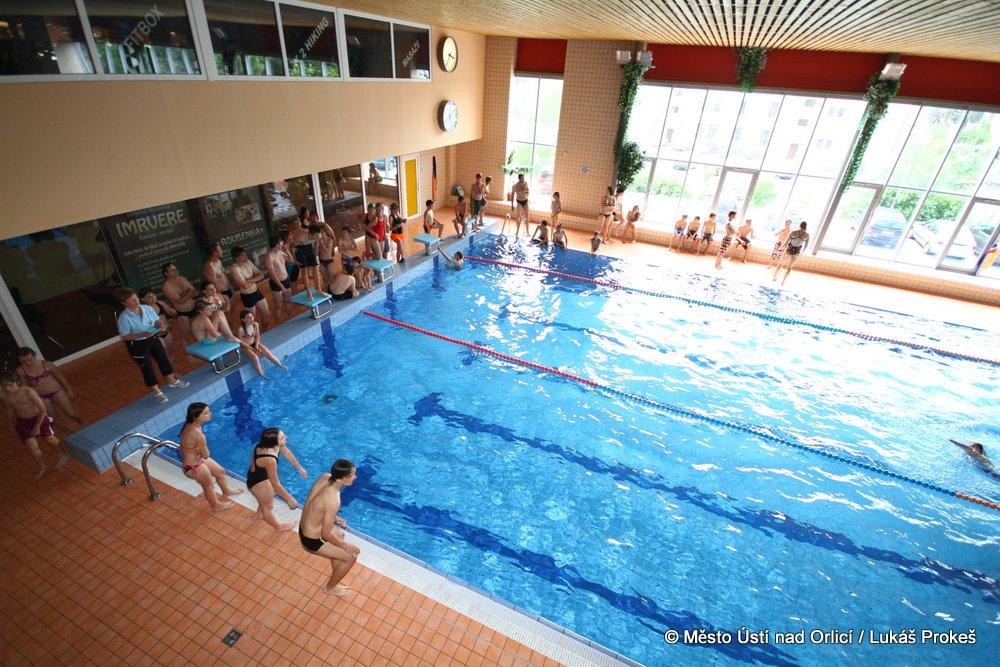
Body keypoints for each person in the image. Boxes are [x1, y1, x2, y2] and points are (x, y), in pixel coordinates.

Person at [116, 287, 188, 403]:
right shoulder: (124, 318)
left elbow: (156, 320)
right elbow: (125, 337)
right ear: (124, 303)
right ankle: (157, 392)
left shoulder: (147, 308)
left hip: (152, 338)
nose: (136, 301)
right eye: (132, 300)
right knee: (147, 367)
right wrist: (141, 334)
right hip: (137, 344)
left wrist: (159, 325)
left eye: (136, 298)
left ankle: (172, 380)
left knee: (163, 358)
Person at [299, 459, 360, 596]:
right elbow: (326, 534)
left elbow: (312, 503)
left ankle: (338, 568)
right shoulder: (334, 499)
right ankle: (330, 588)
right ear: (343, 477)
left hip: (304, 526)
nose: (355, 477)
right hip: (311, 540)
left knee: (340, 535)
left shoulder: (325, 477)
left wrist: (334, 517)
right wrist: (345, 546)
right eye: (352, 475)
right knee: (351, 556)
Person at [2, 372, 70, 479]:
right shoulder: (5, 396)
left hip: (39, 417)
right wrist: (11, 426)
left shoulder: (28, 392)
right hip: (23, 421)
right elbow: (10, 410)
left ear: (18, 382)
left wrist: (37, 427)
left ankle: (63, 453)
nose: (7, 388)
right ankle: (43, 465)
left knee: (49, 438)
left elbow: (43, 409)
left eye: (10, 385)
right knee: (31, 446)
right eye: (4, 386)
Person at [178, 403, 242, 511]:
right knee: (209, 486)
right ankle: (215, 506)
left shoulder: (189, 424)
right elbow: (206, 455)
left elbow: (184, 441)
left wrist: (194, 449)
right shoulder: (198, 434)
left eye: (209, 411)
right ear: (196, 416)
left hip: (197, 460)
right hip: (194, 466)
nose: (210, 414)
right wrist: (199, 450)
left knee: (220, 472)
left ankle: (226, 491)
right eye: (206, 413)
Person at [247, 428, 308, 532]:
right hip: (257, 482)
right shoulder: (270, 459)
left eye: (284, 435)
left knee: (265, 499)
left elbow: (286, 452)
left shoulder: (268, 444)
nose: (286, 437)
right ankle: (279, 527)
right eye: (282, 438)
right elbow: (275, 485)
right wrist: (289, 498)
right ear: (274, 442)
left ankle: (258, 515)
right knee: (268, 507)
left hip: (257, 475)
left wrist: (299, 468)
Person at [16, 347, 83, 430]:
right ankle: (68, 432)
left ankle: (80, 421)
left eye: (30, 360)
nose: (28, 363)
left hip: (56, 390)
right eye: (24, 362)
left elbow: (60, 376)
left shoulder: (47, 364)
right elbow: (25, 386)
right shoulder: (20, 370)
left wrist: (69, 389)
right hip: (41, 396)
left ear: (34, 355)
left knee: (70, 413)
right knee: (54, 418)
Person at [230, 247, 271, 330]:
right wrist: (254, 279)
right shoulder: (235, 269)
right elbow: (245, 286)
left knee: (267, 315)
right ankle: (251, 336)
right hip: (247, 296)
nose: (246, 256)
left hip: (257, 292)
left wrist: (249, 280)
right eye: (243, 255)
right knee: (251, 321)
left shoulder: (248, 262)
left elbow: (261, 275)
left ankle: (265, 331)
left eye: (245, 254)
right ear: (237, 257)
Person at [238, 309, 287, 379]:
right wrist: (252, 349)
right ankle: (262, 374)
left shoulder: (255, 325)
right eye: (248, 318)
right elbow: (241, 342)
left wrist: (256, 346)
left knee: (268, 354)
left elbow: (257, 336)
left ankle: (281, 365)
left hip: (255, 343)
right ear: (243, 320)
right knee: (255, 358)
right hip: (246, 347)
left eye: (252, 316)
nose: (252, 319)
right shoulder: (241, 329)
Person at [160, 262, 198, 344]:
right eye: (172, 270)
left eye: (175, 269)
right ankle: (187, 352)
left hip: (194, 308)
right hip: (182, 313)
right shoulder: (166, 286)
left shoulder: (182, 279)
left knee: (198, 332)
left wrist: (184, 294)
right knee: (185, 337)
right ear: (166, 273)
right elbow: (181, 301)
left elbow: (195, 292)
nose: (176, 271)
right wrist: (188, 292)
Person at [139, 287, 176, 368]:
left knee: (170, 352)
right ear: (143, 299)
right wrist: (157, 328)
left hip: (167, 331)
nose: (152, 297)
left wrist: (173, 312)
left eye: (153, 295)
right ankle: (170, 371)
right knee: (165, 353)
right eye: (149, 297)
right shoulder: (144, 310)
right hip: (157, 335)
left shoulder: (160, 303)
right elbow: (145, 326)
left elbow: (172, 314)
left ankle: (173, 370)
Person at [290, 222, 326, 300]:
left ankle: (319, 289)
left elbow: (316, 243)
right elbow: (291, 246)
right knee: (304, 270)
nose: (318, 237)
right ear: (310, 235)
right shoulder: (300, 238)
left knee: (315, 268)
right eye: (316, 236)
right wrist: (294, 260)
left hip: (309, 247)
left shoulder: (317, 237)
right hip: (300, 249)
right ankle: (308, 292)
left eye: (319, 235)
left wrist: (316, 255)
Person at [263, 234, 294, 323]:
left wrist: (287, 251)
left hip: (286, 280)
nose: (283, 244)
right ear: (277, 244)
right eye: (281, 242)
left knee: (289, 301)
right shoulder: (269, 257)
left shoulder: (281, 252)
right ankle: (279, 324)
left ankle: (291, 320)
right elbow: (272, 274)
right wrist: (281, 287)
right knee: (278, 305)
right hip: (276, 283)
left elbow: (291, 261)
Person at [202, 242, 236, 317]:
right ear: (215, 253)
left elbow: (224, 276)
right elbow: (213, 285)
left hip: (228, 289)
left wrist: (231, 288)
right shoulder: (209, 267)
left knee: (232, 311)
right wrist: (221, 298)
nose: (222, 251)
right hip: (222, 293)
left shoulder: (218, 262)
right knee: (226, 314)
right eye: (220, 249)